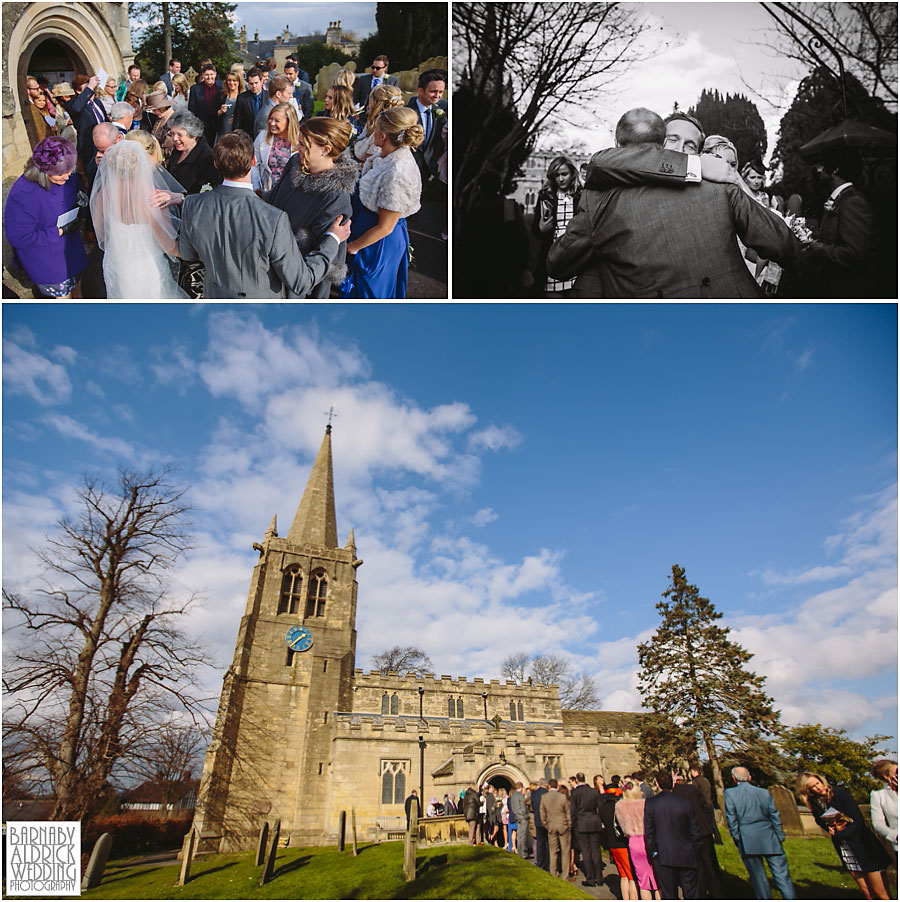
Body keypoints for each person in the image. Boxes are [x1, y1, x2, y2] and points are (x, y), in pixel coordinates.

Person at [547, 107, 800, 298]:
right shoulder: (606, 196)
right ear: (655, 145)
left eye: (691, 145)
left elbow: (780, 242)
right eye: (673, 139)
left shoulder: (718, 187)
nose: (680, 149)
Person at [177, 131, 348, 299]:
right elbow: (301, 281)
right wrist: (332, 240)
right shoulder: (274, 219)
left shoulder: (192, 205)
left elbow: (187, 254)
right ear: (253, 161)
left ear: (215, 164)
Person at [267, 118, 356, 298]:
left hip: (296, 282)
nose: (297, 148)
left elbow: (322, 257)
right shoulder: (295, 164)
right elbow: (274, 200)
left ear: (326, 150)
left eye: (304, 144)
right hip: (269, 264)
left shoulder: (335, 196)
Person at [339, 107, 422, 299]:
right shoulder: (385, 156)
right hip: (364, 230)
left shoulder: (397, 173)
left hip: (377, 243)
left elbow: (386, 227)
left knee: (370, 293)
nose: (373, 134)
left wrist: (353, 247)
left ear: (383, 136)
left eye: (376, 129)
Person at [88, 139, 184, 299]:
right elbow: (168, 245)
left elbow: (100, 232)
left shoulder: (103, 193)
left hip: (117, 262)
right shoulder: (153, 197)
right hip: (145, 266)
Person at [4, 136, 87, 298]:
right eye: (62, 173)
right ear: (43, 170)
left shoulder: (67, 176)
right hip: (48, 260)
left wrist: (80, 201)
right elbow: (19, 238)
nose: (68, 176)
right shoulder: (23, 194)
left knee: (78, 287)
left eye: (70, 170)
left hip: (72, 249)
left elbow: (73, 188)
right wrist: (60, 231)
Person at [797, 771, 891, 899]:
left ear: (821, 780)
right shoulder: (815, 802)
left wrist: (840, 833)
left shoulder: (839, 794)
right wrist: (829, 827)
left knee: (881, 893)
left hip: (863, 845)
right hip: (846, 849)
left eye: (817, 783)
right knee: (868, 894)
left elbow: (858, 821)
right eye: (812, 787)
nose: (818, 788)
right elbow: (820, 820)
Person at [800, 149, 877, 298]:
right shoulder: (840, 198)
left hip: (850, 290)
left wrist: (818, 248)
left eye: (822, 165)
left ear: (835, 169)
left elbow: (855, 254)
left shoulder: (852, 202)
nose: (818, 169)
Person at [723, 767, 794, 900]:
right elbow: (774, 815)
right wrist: (779, 835)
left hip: (747, 839)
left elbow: (731, 818)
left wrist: (737, 838)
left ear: (733, 779)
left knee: (759, 879)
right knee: (783, 877)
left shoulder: (730, 794)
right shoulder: (763, 793)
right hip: (769, 836)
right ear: (749, 777)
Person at [644, 770, 701, 900]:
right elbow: (695, 831)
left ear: (657, 784)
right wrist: (694, 849)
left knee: (669, 893)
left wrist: (653, 851)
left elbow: (649, 831)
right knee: (691, 892)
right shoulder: (684, 803)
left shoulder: (651, 803)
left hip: (664, 855)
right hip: (686, 853)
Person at [532, 155, 582, 297]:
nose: (560, 179)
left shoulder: (580, 196)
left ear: (572, 173)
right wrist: (541, 229)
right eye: (556, 176)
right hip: (553, 258)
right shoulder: (546, 197)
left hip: (575, 258)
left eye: (564, 174)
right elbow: (536, 230)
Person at [673, 771, 722, 898]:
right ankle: (716, 892)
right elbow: (706, 808)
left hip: (688, 833)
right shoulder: (693, 790)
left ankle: (700, 893)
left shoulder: (675, 794)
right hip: (704, 830)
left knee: (696, 865)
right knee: (708, 863)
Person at [617, 780, 659, 900]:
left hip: (633, 842)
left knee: (643, 882)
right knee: (657, 881)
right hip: (647, 839)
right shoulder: (646, 804)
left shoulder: (620, 807)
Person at [406, 69, 447, 183]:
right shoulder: (406, 112)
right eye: (433, 91)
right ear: (420, 91)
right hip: (408, 168)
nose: (437, 96)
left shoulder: (441, 114)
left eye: (440, 92)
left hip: (429, 171)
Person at [165, 110, 219, 196]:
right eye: (172, 134)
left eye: (179, 134)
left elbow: (205, 195)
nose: (174, 138)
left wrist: (181, 199)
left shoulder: (207, 158)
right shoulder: (177, 151)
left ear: (193, 135)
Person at [252, 102, 299, 194]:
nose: (272, 123)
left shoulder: (299, 140)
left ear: (289, 122)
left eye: (277, 121)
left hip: (290, 192)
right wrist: (255, 186)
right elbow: (254, 163)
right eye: (270, 119)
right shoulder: (262, 136)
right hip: (266, 191)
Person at [354, 83, 404, 166]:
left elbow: (367, 163)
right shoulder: (371, 123)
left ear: (374, 103)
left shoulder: (381, 132)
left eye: (370, 101)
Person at [602, 779, 637, 898]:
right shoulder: (619, 807)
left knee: (623, 875)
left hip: (611, 845)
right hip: (622, 844)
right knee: (631, 877)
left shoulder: (603, 808)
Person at [571, 772, 604, 887]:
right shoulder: (593, 791)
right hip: (594, 822)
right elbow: (600, 807)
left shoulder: (575, 793)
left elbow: (573, 811)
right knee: (596, 851)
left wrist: (574, 825)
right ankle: (599, 878)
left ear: (577, 780)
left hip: (582, 824)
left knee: (586, 852)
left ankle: (590, 878)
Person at [540, 778, 571, 879]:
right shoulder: (562, 797)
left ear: (548, 786)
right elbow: (567, 812)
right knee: (565, 851)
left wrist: (546, 825)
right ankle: (564, 875)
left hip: (551, 826)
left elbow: (542, 813)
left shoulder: (544, 797)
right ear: (557, 786)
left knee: (553, 851)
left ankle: (553, 873)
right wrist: (569, 825)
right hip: (563, 826)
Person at [188, 63, 224, 148]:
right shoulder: (195, 89)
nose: (209, 77)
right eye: (206, 75)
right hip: (202, 127)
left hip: (220, 125)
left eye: (211, 74)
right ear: (202, 75)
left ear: (215, 74)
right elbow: (192, 110)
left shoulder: (222, 87)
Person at [232, 67, 266, 136]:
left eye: (256, 83)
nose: (254, 86)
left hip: (266, 136)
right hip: (248, 137)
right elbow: (237, 122)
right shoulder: (242, 98)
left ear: (261, 81)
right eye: (251, 83)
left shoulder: (269, 96)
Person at [144, 89, 176, 162]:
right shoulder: (159, 119)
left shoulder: (175, 121)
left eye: (154, 110)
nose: (153, 112)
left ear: (162, 107)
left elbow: (171, 150)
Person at [218, 70, 244, 139]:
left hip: (237, 131)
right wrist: (221, 111)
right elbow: (212, 114)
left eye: (234, 80)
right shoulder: (221, 95)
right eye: (229, 80)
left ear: (239, 82)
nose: (232, 83)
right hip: (223, 129)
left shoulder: (244, 96)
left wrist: (237, 119)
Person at [531, 778, 550, 871]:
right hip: (547, 821)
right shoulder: (547, 793)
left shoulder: (534, 794)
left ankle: (540, 863)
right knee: (547, 843)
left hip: (538, 821)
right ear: (546, 785)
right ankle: (547, 864)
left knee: (540, 843)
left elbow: (533, 807)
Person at [509, 782, 529, 858]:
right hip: (523, 817)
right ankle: (523, 852)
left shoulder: (513, 796)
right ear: (520, 787)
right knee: (523, 835)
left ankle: (520, 851)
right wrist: (525, 815)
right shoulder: (520, 795)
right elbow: (523, 807)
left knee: (519, 835)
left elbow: (513, 807)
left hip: (516, 817)